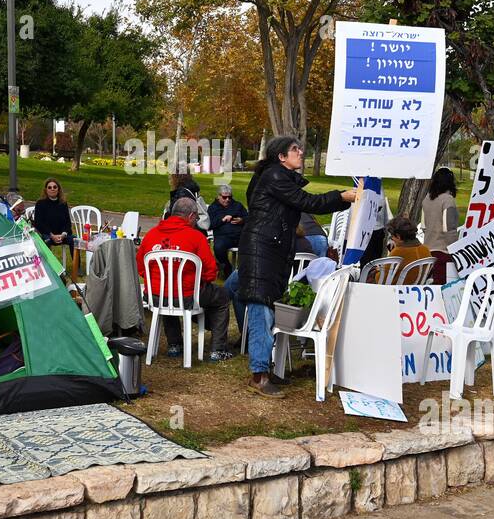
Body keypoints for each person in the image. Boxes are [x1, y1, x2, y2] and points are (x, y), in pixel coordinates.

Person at [224, 136, 359, 396]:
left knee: (263, 305)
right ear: (281, 157)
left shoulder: (276, 176)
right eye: (294, 149)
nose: (300, 152)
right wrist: (342, 197)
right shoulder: (275, 176)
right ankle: (259, 376)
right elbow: (309, 203)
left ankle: (265, 368)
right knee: (261, 309)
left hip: (269, 251)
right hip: (262, 251)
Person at [137, 197, 234, 361]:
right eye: (196, 218)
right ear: (190, 216)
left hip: (155, 296)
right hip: (187, 295)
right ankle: (218, 349)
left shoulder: (151, 235)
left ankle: (174, 345)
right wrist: (198, 280)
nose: (197, 221)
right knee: (222, 296)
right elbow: (211, 272)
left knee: (168, 292)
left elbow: (140, 267)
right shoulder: (196, 237)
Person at [422, 167, 459, 284]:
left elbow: (423, 226)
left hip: (427, 250)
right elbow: (449, 229)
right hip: (443, 252)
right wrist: (455, 250)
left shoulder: (427, 199)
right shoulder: (448, 200)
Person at [207, 183, 247, 278]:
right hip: (223, 237)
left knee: (250, 245)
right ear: (218, 196)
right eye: (224, 197)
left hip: (239, 235)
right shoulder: (213, 208)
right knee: (218, 247)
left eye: (229, 197)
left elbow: (249, 217)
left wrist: (242, 220)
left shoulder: (237, 205)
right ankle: (226, 267)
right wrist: (222, 219)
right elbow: (210, 225)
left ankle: (244, 270)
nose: (228, 200)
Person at [31, 178, 74, 256]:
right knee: (46, 241)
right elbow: (38, 223)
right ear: (46, 190)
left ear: (58, 189)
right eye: (49, 187)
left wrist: (63, 235)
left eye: (55, 187)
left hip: (62, 235)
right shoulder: (40, 203)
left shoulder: (63, 203)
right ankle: (49, 267)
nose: (52, 189)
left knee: (75, 240)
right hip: (47, 234)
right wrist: (52, 235)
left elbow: (68, 223)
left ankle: (77, 267)